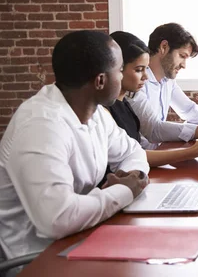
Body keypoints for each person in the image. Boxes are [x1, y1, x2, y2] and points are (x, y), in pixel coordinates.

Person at [0, 31, 150, 266]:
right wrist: (124, 191)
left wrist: (133, 175)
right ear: (100, 81)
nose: (122, 78)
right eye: (120, 70)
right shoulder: (41, 124)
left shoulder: (97, 113)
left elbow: (133, 151)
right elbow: (58, 218)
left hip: (81, 238)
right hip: (38, 260)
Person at [108, 31, 198, 167]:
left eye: (145, 69)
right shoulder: (127, 97)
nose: (145, 76)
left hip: (146, 164)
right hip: (144, 165)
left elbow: (188, 109)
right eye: (182, 56)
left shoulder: (127, 101)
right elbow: (152, 132)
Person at [128, 23, 198, 148]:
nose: (184, 65)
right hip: (143, 160)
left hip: (160, 152)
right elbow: (154, 129)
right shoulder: (137, 82)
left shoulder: (167, 80)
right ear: (164, 47)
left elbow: (188, 109)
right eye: (182, 56)